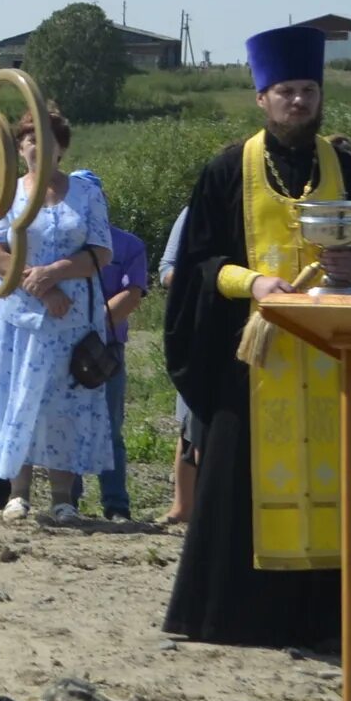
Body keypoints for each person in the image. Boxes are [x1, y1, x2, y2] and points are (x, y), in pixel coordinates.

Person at [161, 27, 351, 648]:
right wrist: (254, 283)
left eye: (308, 90)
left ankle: (324, 623)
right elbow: (197, 264)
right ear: (261, 99)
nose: (298, 102)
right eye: (285, 91)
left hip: (333, 362)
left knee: (333, 482)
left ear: (320, 97)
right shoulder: (225, 171)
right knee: (239, 486)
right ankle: (229, 619)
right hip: (254, 362)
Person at [0, 112, 117, 523]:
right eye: (31, 139)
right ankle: (17, 494)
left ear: (63, 147)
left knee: (64, 403)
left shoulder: (87, 193)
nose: (40, 147)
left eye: (50, 139)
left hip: (72, 320)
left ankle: (63, 497)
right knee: (18, 397)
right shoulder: (6, 193)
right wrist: (36, 283)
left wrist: (56, 272)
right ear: (20, 148)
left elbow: (101, 251)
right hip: (17, 316)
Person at [96, 221, 152, 522]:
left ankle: (116, 504)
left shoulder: (128, 244)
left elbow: (132, 294)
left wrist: (92, 324)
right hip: (62, 342)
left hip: (107, 347)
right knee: (67, 421)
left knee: (110, 427)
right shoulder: (63, 241)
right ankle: (67, 501)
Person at [155, 207, 197, 526]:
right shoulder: (194, 210)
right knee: (190, 422)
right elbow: (166, 269)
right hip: (202, 328)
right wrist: (203, 278)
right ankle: (182, 506)